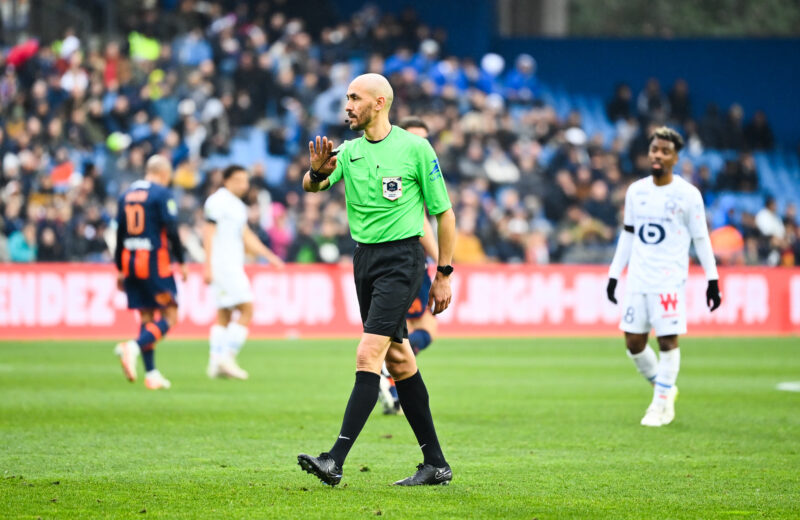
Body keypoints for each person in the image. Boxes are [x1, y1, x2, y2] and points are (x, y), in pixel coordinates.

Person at [296, 73, 457, 486]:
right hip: (364, 260)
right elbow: (312, 186)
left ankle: (334, 460)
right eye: (347, 98)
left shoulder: (415, 149)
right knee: (399, 359)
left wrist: (443, 273)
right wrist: (314, 173)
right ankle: (436, 464)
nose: (347, 105)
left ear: (380, 102)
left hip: (402, 260)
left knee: (368, 354)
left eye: (355, 98)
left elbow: (444, 213)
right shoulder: (348, 152)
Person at [606, 127, 722, 427]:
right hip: (638, 278)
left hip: (669, 280)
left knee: (668, 341)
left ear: (675, 157)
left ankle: (660, 406)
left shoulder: (688, 195)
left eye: (665, 151)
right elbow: (628, 234)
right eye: (654, 149)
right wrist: (614, 274)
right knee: (633, 343)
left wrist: (712, 280)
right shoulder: (636, 191)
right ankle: (665, 387)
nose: (658, 155)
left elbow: (701, 238)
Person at [378, 116, 440, 415]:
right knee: (421, 328)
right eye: (416, 137)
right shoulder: (405, 170)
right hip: (407, 260)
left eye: (425, 139)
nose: (421, 144)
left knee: (408, 329)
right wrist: (443, 260)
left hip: (399, 259)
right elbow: (419, 220)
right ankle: (384, 373)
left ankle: (393, 390)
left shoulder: (407, 166)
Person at [203, 164, 285, 379]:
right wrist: (207, 265)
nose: (243, 185)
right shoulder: (217, 201)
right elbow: (208, 233)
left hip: (230, 264)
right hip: (224, 266)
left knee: (224, 314)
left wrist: (269, 256)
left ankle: (215, 363)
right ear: (226, 180)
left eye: (245, 180)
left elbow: (246, 236)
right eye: (238, 180)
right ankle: (227, 357)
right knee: (247, 309)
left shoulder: (238, 206)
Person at [114, 155, 187, 390]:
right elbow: (172, 229)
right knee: (170, 316)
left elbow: (119, 234)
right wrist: (182, 261)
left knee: (147, 317)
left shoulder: (125, 195)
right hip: (155, 263)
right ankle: (133, 347)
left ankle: (151, 373)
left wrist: (119, 268)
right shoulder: (161, 194)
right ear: (164, 174)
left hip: (131, 263)